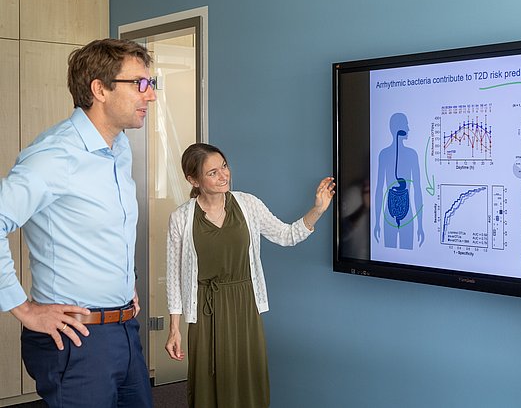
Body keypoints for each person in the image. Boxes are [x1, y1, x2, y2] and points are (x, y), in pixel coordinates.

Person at [0, 38, 156, 407]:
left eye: (151, 84)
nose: (149, 96)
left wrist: (126, 282)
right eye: (139, 84)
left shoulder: (118, 149)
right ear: (99, 89)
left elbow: (110, 231)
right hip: (78, 338)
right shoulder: (55, 155)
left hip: (125, 329)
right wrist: (23, 308)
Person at [165, 143, 335, 408]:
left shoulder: (247, 204)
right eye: (212, 173)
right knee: (207, 385)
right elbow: (174, 276)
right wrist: (174, 329)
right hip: (204, 312)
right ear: (193, 180)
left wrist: (318, 209)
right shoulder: (181, 218)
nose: (224, 176)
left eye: (224, 166)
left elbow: (286, 235)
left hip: (245, 305)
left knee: (247, 379)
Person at [373, 112, 425, 249]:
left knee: (407, 254)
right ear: (398, 129)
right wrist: (376, 222)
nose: (408, 129)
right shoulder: (384, 155)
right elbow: (379, 189)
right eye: (406, 125)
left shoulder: (412, 155)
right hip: (389, 211)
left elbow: (417, 190)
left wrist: (420, 224)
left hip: (407, 212)